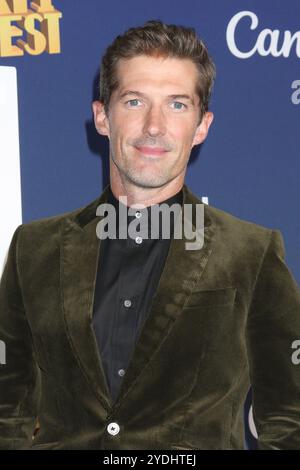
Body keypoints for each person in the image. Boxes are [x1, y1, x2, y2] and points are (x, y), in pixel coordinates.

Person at [0, 19, 300, 451]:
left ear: (202, 126)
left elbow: (289, 417)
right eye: (135, 101)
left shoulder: (251, 253)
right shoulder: (35, 248)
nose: (154, 125)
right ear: (102, 116)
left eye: (177, 105)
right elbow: (7, 410)